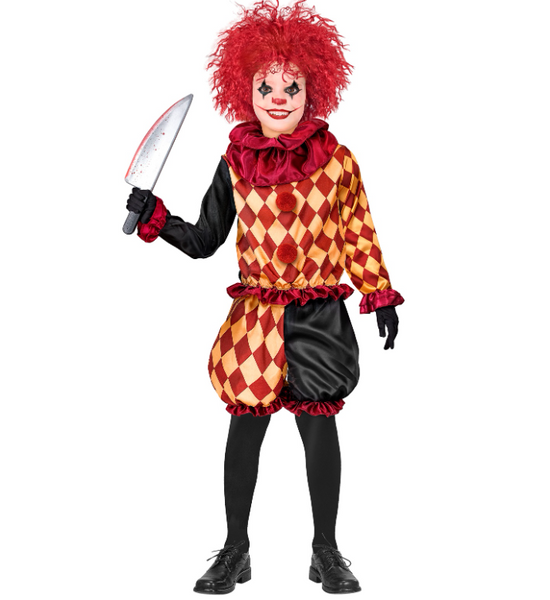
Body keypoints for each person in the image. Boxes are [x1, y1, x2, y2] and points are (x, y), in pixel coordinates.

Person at [125, 0, 404, 594]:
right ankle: (235, 550)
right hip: (255, 317)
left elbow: (358, 231)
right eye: (266, 86)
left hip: (318, 315)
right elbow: (205, 240)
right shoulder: (235, 163)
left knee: (319, 428)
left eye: (291, 86)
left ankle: (325, 550)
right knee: (244, 429)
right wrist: (156, 217)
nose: (279, 98)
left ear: (313, 90)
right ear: (245, 90)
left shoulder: (337, 163)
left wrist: (379, 293)